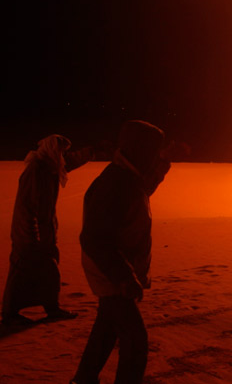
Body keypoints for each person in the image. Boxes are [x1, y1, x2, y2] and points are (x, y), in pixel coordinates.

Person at [71, 120, 170, 384]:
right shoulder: (115, 183)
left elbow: (145, 187)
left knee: (105, 331)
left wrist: (163, 165)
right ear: (139, 149)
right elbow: (94, 239)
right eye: (153, 151)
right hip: (111, 274)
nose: (154, 156)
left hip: (115, 271)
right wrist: (123, 276)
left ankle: (83, 380)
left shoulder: (128, 177)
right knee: (136, 340)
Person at [2, 135, 94, 325]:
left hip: (43, 232)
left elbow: (70, 161)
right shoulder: (36, 171)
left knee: (48, 271)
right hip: (28, 234)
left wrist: (92, 151)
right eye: (61, 152)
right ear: (53, 151)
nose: (63, 156)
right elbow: (28, 208)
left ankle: (51, 308)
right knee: (22, 272)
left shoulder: (49, 167)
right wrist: (31, 237)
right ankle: (11, 313)